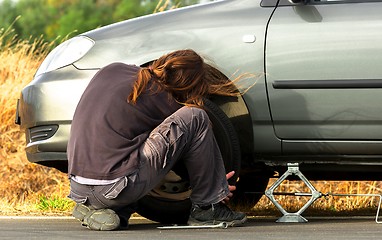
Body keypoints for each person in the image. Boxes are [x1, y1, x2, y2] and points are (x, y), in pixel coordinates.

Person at [67, 49, 247, 231]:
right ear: (187, 86)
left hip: (78, 188)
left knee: (129, 150)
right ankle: (207, 209)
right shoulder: (165, 100)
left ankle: (108, 211)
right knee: (196, 116)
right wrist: (214, 185)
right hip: (113, 189)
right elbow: (179, 155)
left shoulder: (112, 69)